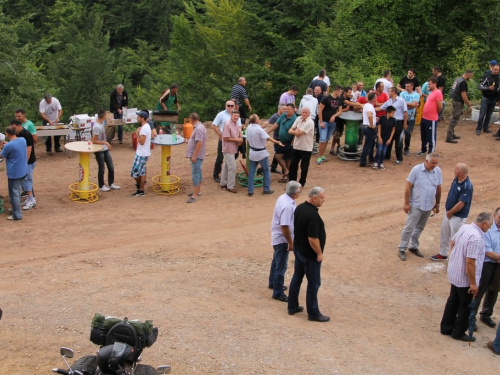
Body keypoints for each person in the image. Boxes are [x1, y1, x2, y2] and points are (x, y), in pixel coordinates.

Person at [440, 212, 493, 342]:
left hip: (455, 273)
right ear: (484, 223)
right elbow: (470, 262)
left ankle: (446, 327)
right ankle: (458, 332)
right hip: (464, 279)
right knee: (466, 305)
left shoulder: (465, 228)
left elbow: (453, 242)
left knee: (453, 300)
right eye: (489, 225)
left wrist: (455, 259)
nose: (490, 228)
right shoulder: (476, 238)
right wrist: (473, 284)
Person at [287, 187, 329, 322]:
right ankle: (313, 313)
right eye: (322, 198)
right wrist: (319, 253)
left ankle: (292, 305)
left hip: (299, 249)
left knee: (297, 277)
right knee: (314, 283)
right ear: (314, 198)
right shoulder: (312, 215)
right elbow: (313, 239)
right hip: (309, 254)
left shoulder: (299, 208)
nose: (324, 200)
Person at [398, 153, 442, 261]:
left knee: (420, 227)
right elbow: (408, 187)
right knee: (409, 227)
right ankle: (402, 248)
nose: (435, 165)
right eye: (433, 163)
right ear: (426, 161)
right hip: (416, 204)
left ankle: (413, 246)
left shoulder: (438, 171)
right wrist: (406, 203)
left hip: (428, 205)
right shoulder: (416, 170)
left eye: (436, 163)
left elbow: (438, 188)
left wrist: (437, 204)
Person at [430, 164, 473, 262]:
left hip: (458, 216)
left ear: (461, 173)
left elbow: (461, 204)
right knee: (444, 233)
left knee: (456, 238)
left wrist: (450, 213)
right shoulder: (456, 179)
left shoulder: (467, 186)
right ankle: (443, 254)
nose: (454, 170)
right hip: (449, 212)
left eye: (456, 169)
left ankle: (455, 260)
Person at [269, 181, 302, 302]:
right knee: (281, 266)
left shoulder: (283, 198)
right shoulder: (287, 206)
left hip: (278, 237)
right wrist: (290, 242)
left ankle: (273, 283)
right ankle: (277, 292)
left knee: (276, 261)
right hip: (282, 239)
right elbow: (285, 226)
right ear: (294, 194)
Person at [474, 208, 500, 330]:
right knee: (479, 291)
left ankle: (486, 314)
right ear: (495, 216)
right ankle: (471, 317)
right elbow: (487, 251)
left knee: (494, 291)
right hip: (487, 264)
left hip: (498, 265)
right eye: (499, 217)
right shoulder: (488, 229)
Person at [246, 114, 282, 196]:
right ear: (257, 120)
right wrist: (277, 142)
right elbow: (268, 138)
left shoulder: (248, 128)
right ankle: (266, 189)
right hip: (261, 153)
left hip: (252, 152)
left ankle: (250, 191)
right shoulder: (259, 129)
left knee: (251, 172)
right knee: (266, 171)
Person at [0, 126, 28, 220]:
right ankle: (15, 209)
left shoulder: (8, 146)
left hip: (14, 173)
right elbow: (14, 146)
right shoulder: (22, 140)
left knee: (14, 193)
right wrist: (7, 144)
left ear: (7, 134)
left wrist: (2, 146)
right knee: (16, 192)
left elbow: (1, 155)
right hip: (23, 171)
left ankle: (17, 215)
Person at [211, 100, 242, 183]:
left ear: (234, 106)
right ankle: (216, 174)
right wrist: (220, 135)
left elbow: (239, 127)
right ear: (225, 106)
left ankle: (228, 174)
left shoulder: (236, 115)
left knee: (234, 156)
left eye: (232, 106)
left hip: (234, 139)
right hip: (224, 139)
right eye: (228, 105)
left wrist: (240, 138)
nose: (230, 107)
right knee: (220, 157)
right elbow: (214, 125)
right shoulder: (221, 114)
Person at [377, 87, 408, 164]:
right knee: (389, 139)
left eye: (389, 92)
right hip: (390, 123)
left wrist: (404, 123)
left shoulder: (401, 100)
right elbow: (381, 108)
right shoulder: (389, 101)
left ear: (394, 92)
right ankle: (387, 155)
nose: (388, 93)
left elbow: (405, 112)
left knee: (398, 141)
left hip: (398, 122)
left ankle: (399, 158)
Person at [92, 110, 120, 192]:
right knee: (102, 168)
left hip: (105, 148)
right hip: (99, 149)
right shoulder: (97, 126)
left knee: (110, 167)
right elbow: (94, 140)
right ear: (104, 116)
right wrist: (105, 142)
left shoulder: (102, 124)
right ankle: (101, 185)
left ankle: (111, 183)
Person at [10, 120, 36, 210]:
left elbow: (29, 149)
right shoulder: (18, 134)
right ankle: (29, 199)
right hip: (24, 162)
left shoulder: (26, 134)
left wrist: (25, 162)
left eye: (15, 128)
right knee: (24, 181)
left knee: (27, 180)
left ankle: (32, 200)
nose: (14, 130)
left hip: (28, 162)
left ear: (19, 125)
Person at [288, 107, 314, 186]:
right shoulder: (298, 119)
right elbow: (290, 131)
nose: (304, 114)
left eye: (306, 112)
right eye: (303, 112)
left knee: (304, 167)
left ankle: (302, 182)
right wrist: (295, 131)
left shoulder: (310, 122)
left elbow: (299, 133)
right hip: (296, 146)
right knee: (293, 165)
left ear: (309, 113)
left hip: (306, 148)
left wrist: (294, 131)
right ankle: (292, 182)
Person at [416, 77, 443, 156]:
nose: (428, 86)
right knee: (423, 135)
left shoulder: (438, 93)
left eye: (430, 84)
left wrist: (435, 113)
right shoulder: (431, 92)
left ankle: (431, 153)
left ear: (435, 84)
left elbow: (440, 106)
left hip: (431, 118)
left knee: (431, 137)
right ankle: (423, 150)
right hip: (424, 117)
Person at [317, 85, 343, 165]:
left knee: (327, 139)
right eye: (340, 92)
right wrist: (321, 122)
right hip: (324, 121)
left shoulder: (339, 99)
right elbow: (320, 110)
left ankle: (322, 155)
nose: (341, 94)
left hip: (332, 123)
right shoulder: (326, 98)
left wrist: (334, 115)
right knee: (322, 140)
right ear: (336, 91)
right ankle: (319, 157)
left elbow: (340, 111)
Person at [446, 71, 473, 143]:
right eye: (471, 76)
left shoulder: (458, 79)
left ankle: (452, 133)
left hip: (454, 100)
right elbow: (464, 95)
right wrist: (469, 105)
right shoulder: (463, 82)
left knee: (454, 117)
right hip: (458, 101)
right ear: (468, 74)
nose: (470, 78)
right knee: (454, 119)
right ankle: (449, 136)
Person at [186, 112, 207, 203]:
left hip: (197, 156)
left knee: (196, 173)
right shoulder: (200, 127)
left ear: (191, 119)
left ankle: (195, 195)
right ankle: (197, 191)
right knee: (198, 172)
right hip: (198, 155)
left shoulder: (198, 128)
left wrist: (194, 156)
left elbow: (199, 142)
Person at [130, 110, 152, 197]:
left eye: (139, 117)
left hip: (142, 153)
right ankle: (140, 189)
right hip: (143, 152)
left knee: (135, 173)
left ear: (143, 118)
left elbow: (142, 142)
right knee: (141, 172)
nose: (137, 118)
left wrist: (137, 134)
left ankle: (140, 189)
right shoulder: (146, 126)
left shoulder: (144, 128)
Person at [220, 111, 242, 193]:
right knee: (232, 167)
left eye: (237, 116)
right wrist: (237, 140)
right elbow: (225, 137)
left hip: (232, 148)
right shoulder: (227, 124)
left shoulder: (236, 124)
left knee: (226, 166)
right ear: (231, 116)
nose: (236, 117)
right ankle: (230, 186)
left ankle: (223, 183)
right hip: (228, 149)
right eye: (235, 116)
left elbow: (239, 131)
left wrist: (240, 137)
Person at [274, 104, 297, 182]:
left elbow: (295, 131)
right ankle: (286, 171)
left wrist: (293, 142)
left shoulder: (295, 119)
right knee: (278, 156)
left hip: (289, 142)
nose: (286, 110)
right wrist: (267, 132)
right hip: (281, 141)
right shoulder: (283, 115)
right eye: (285, 109)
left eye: (288, 109)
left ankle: (288, 177)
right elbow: (276, 124)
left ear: (293, 110)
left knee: (288, 159)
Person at [476, 64, 500, 135]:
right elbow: (479, 86)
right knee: (482, 115)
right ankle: (478, 128)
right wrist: (488, 88)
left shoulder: (499, 77)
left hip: (494, 99)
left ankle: (486, 127)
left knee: (489, 115)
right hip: (486, 98)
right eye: (494, 70)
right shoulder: (487, 76)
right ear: (492, 69)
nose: (496, 71)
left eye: (497, 70)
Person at [399, 82, 420, 155]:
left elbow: (414, 105)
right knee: (400, 133)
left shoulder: (416, 95)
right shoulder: (402, 93)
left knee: (408, 133)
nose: (406, 88)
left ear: (412, 86)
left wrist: (405, 104)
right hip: (401, 117)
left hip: (410, 117)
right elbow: (400, 104)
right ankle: (399, 148)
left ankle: (406, 148)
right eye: (405, 86)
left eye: (407, 86)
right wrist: (410, 104)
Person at [373, 106, 396, 170]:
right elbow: (379, 127)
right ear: (388, 113)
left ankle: (381, 162)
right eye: (392, 113)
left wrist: (390, 139)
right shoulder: (382, 118)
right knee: (379, 150)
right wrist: (379, 137)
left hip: (387, 138)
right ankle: (376, 162)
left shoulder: (393, 120)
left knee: (384, 151)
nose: (393, 114)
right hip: (381, 137)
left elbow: (393, 130)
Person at [265, 104, 285, 173]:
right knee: (278, 153)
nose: (285, 111)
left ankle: (274, 167)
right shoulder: (275, 116)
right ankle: (280, 169)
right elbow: (267, 122)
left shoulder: (285, 116)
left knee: (279, 153)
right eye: (284, 109)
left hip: (282, 137)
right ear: (279, 109)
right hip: (277, 138)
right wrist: (260, 128)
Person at [359, 92, 377, 167]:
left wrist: (374, 119)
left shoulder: (366, 105)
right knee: (368, 145)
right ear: (373, 99)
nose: (376, 99)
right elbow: (369, 116)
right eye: (375, 97)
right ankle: (363, 161)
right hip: (369, 127)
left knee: (371, 143)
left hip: (366, 126)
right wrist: (372, 125)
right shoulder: (370, 106)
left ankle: (371, 158)